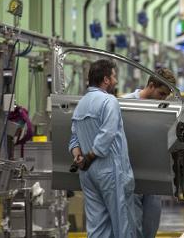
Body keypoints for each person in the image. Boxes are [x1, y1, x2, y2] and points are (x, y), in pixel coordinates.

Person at [69, 59, 135, 238]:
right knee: (122, 222)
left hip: (87, 174)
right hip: (109, 172)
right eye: (114, 77)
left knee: (97, 225)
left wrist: (79, 157)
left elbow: (73, 139)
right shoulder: (109, 101)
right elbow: (107, 134)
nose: (115, 81)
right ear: (106, 79)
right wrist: (90, 156)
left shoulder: (80, 104)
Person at [122, 68, 176, 238]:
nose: (163, 99)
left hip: (153, 178)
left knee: (150, 227)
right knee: (133, 227)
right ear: (151, 86)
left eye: (166, 96)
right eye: (161, 94)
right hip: (131, 176)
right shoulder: (124, 104)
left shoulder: (161, 108)